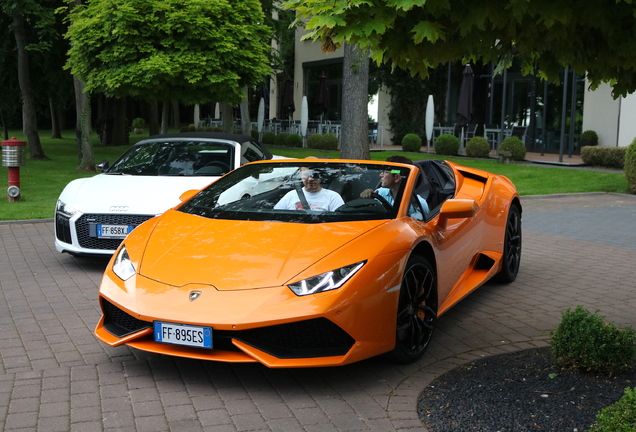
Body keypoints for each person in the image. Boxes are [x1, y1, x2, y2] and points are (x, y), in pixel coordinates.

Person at [360, 155, 429, 217]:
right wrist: (368, 197)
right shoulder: (380, 193)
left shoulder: (420, 204)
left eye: (385, 172)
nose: (380, 175)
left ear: (396, 177)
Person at [275, 167, 345, 211]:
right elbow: (275, 216)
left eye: (314, 175)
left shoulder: (333, 197)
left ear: (321, 176)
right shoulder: (290, 195)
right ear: (300, 175)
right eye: (306, 175)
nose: (310, 179)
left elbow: (340, 221)